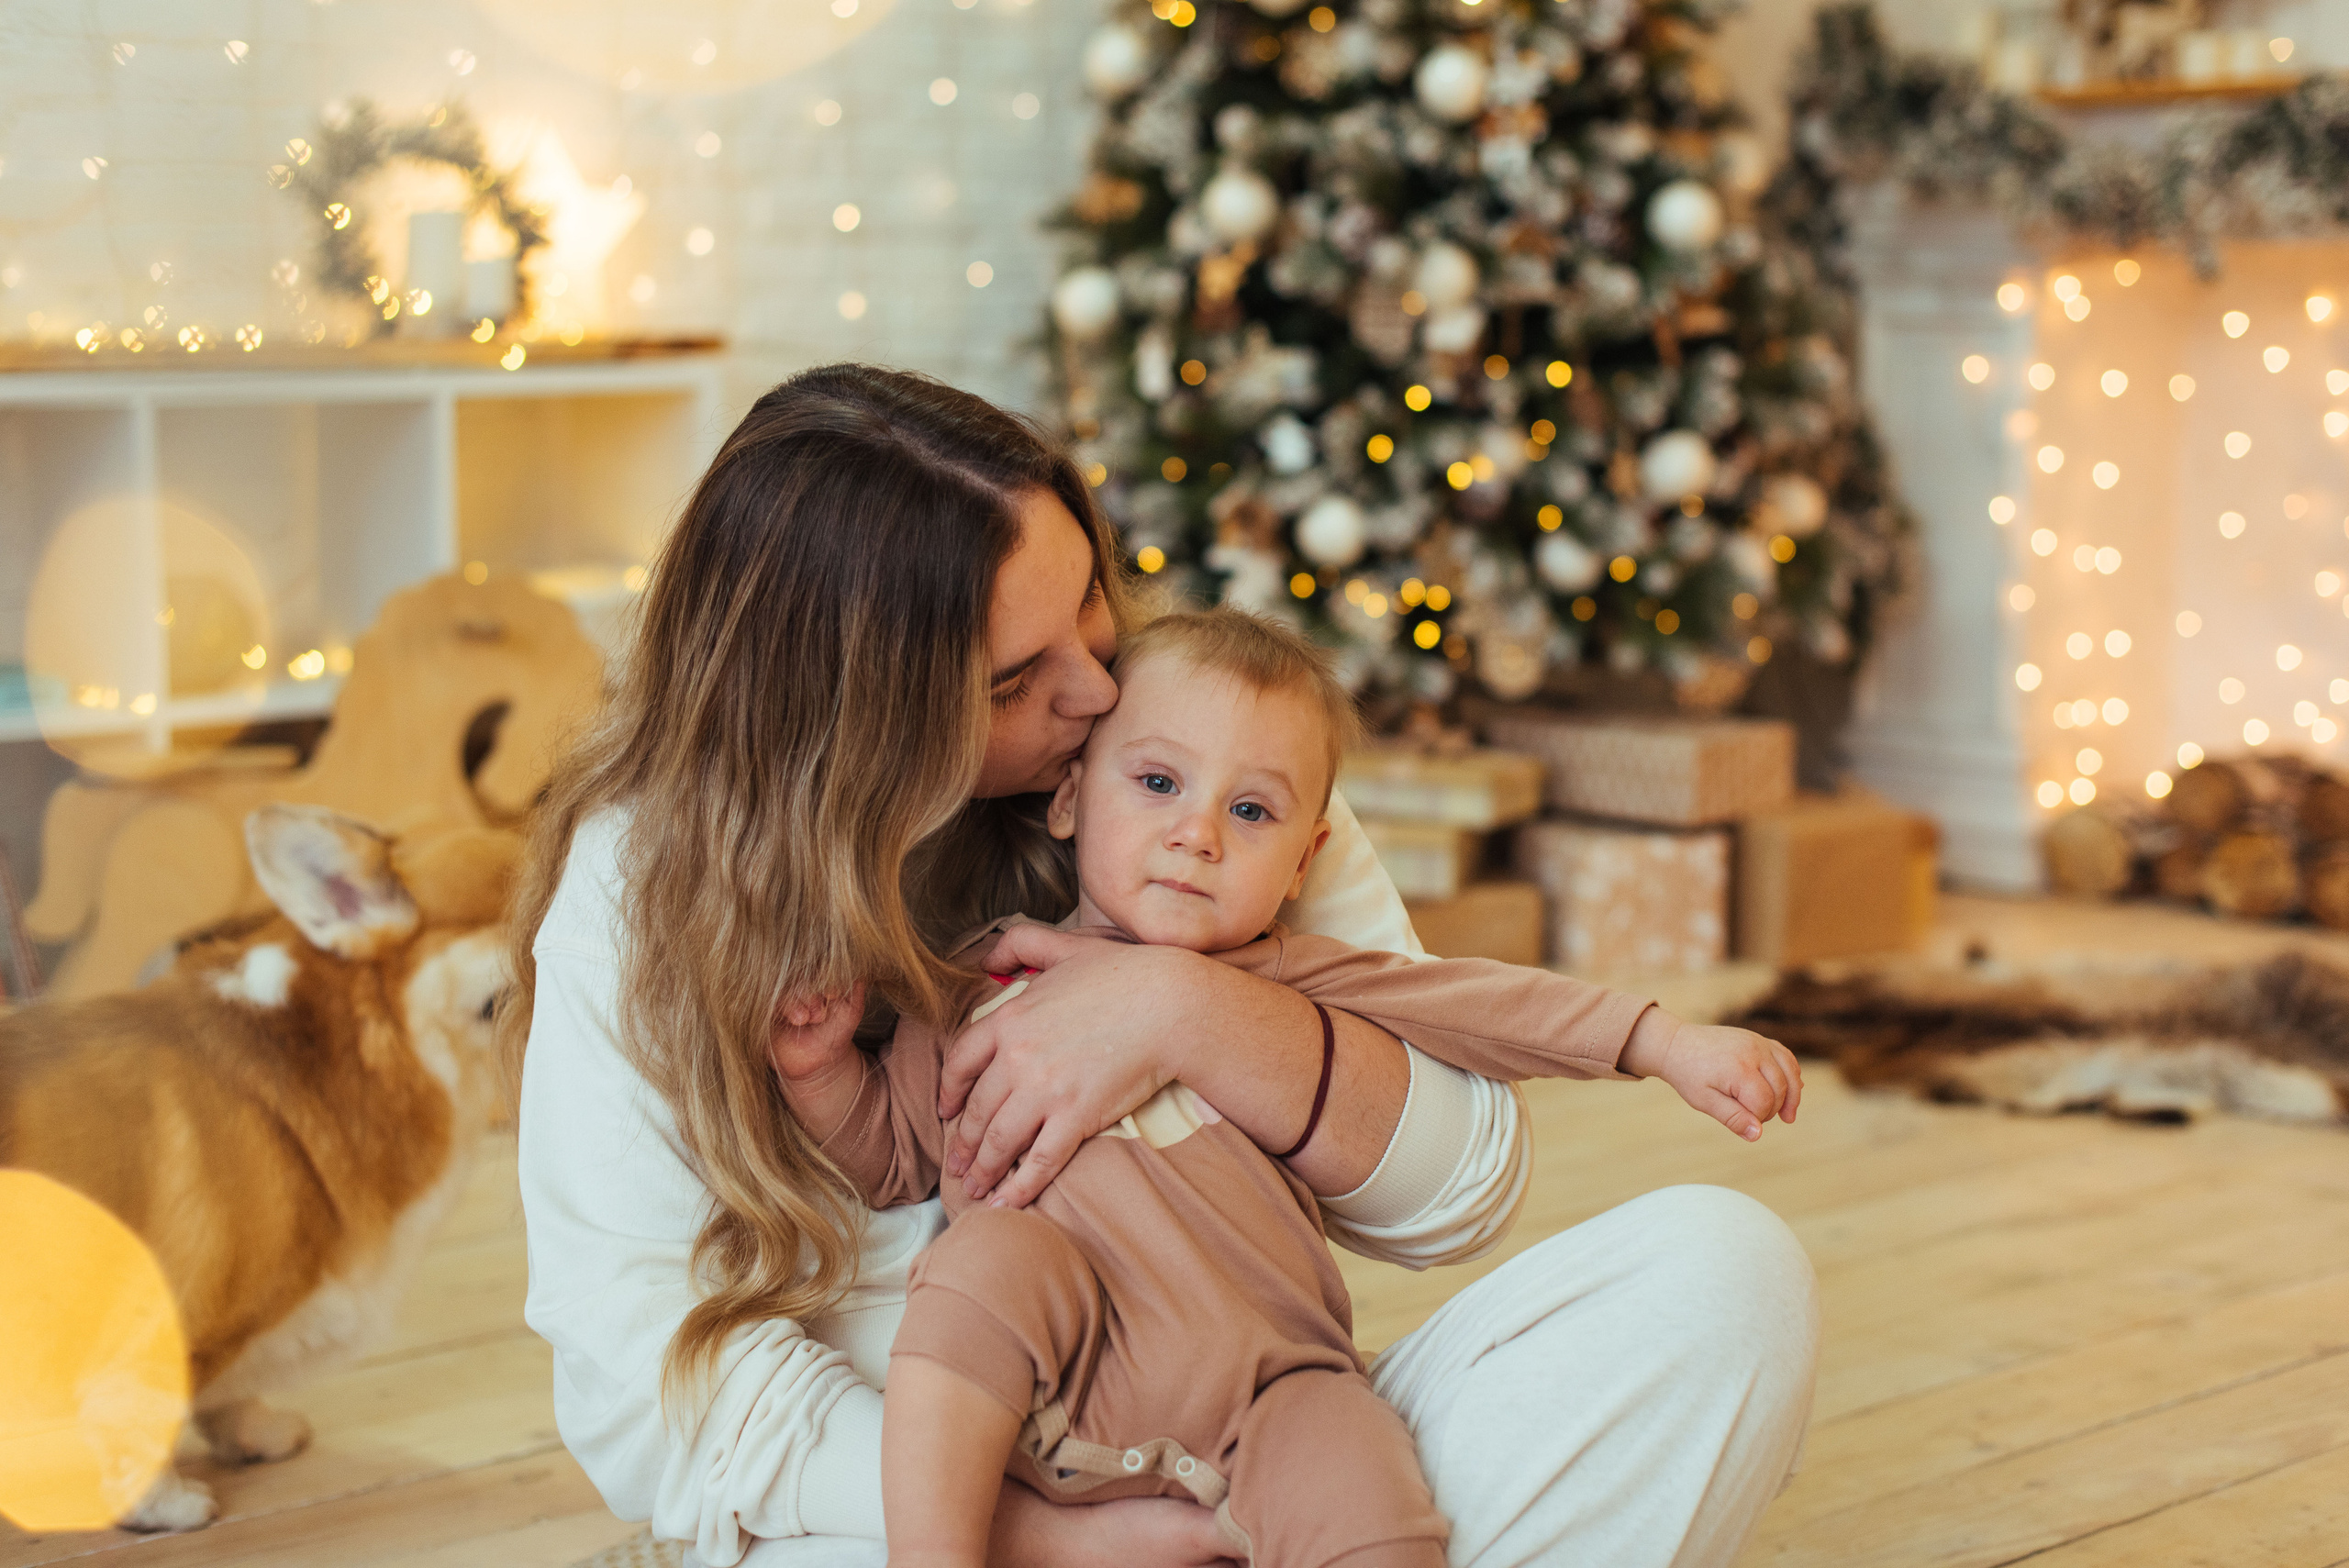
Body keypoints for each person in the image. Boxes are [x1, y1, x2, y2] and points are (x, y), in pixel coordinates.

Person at [507, 363, 1820, 1568]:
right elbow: (645, 1397)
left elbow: (1463, 1196)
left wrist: (1188, 1008)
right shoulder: (641, 888)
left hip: (1245, 1432)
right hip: (913, 1513)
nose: (1091, 686)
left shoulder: (1192, 764)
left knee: (1723, 1276)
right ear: (858, 723)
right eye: (1017, 677)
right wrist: (1044, 1538)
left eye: (1087, 594)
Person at [774, 608, 1806, 1568]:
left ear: (1306, 855)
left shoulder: (1289, 976)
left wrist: (1659, 1040)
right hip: (1056, 1389)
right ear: (1071, 794)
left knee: (1371, 1486)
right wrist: (822, 1071)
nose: (1198, 834)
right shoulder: (980, 980)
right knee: (985, 1259)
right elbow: (892, 1152)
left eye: (1251, 808)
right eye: (1158, 783)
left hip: (1274, 1383)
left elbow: (1483, 1007)